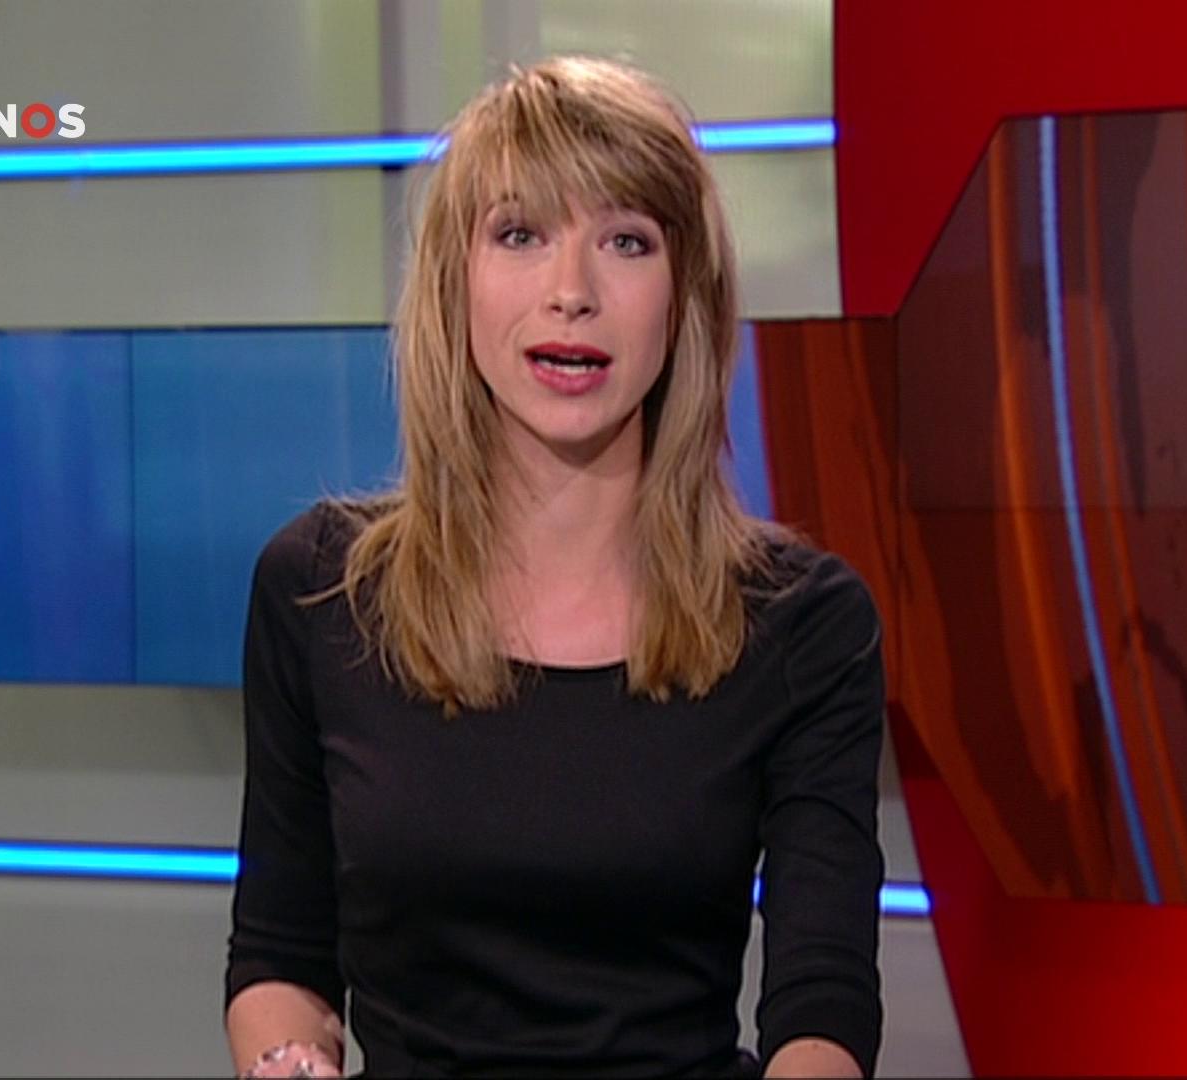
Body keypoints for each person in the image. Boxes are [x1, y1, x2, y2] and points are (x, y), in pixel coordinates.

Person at [222, 55, 886, 1079]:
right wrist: (286, 1060)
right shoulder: (319, 591)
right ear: (456, 282)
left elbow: (822, 1004)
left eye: (626, 241)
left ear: (685, 296)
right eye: (521, 235)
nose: (571, 293)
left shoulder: (803, 622)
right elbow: (279, 954)